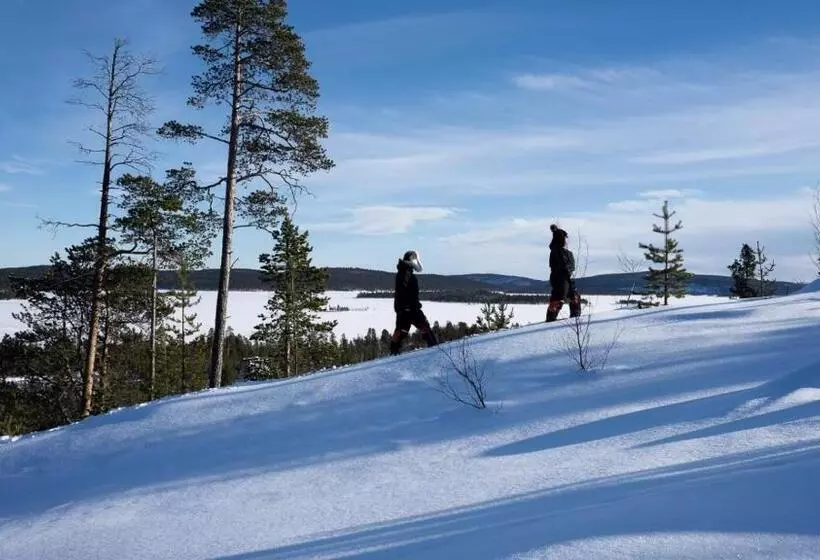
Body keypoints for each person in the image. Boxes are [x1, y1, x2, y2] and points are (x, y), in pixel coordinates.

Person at [390, 250, 438, 355]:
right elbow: (403, 292)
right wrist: (407, 306)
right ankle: (435, 351)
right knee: (406, 330)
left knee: (403, 331)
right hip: (409, 309)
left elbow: (406, 292)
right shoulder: (405, 273)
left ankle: (393, 352)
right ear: (411, 260)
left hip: (408, 308)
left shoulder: (405, 272)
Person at [546, 224, 581, 321]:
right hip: (559, 278)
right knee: (558, 298)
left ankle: (575, 318)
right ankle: (551, 319)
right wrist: (556, 232)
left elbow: (570, 266)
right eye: (565, 239)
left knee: (574, 296)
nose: (567, 241)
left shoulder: (565, 252)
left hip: (565, 278)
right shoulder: (556, 251)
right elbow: (565, 266)